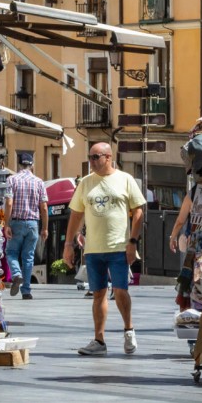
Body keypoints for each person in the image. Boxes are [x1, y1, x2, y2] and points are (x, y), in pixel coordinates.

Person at [63, 142, 147, 356]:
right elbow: (76, 214)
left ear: (108, 157)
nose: (91, 161)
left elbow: (138, 212)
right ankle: (99, 340)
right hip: (93, 249)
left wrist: (133, 241)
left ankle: (129, 330)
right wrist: (68, 244)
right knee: (98, 294)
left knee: (120, 291)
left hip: (119, 246)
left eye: (96, 157)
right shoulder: (85, 183)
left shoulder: (125, 179)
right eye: (90, 157)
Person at [4, 152, 48, 300]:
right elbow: (44, 207)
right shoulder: (39, 182)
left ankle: (16, 274)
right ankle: (26, 291)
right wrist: (45, 228)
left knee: (11, 253)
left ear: (18, 164)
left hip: (16, 222)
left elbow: (9, 203)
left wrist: (6, 224)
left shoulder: (12, 180)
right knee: (28, 258)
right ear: (32, 165)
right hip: (33, 224)